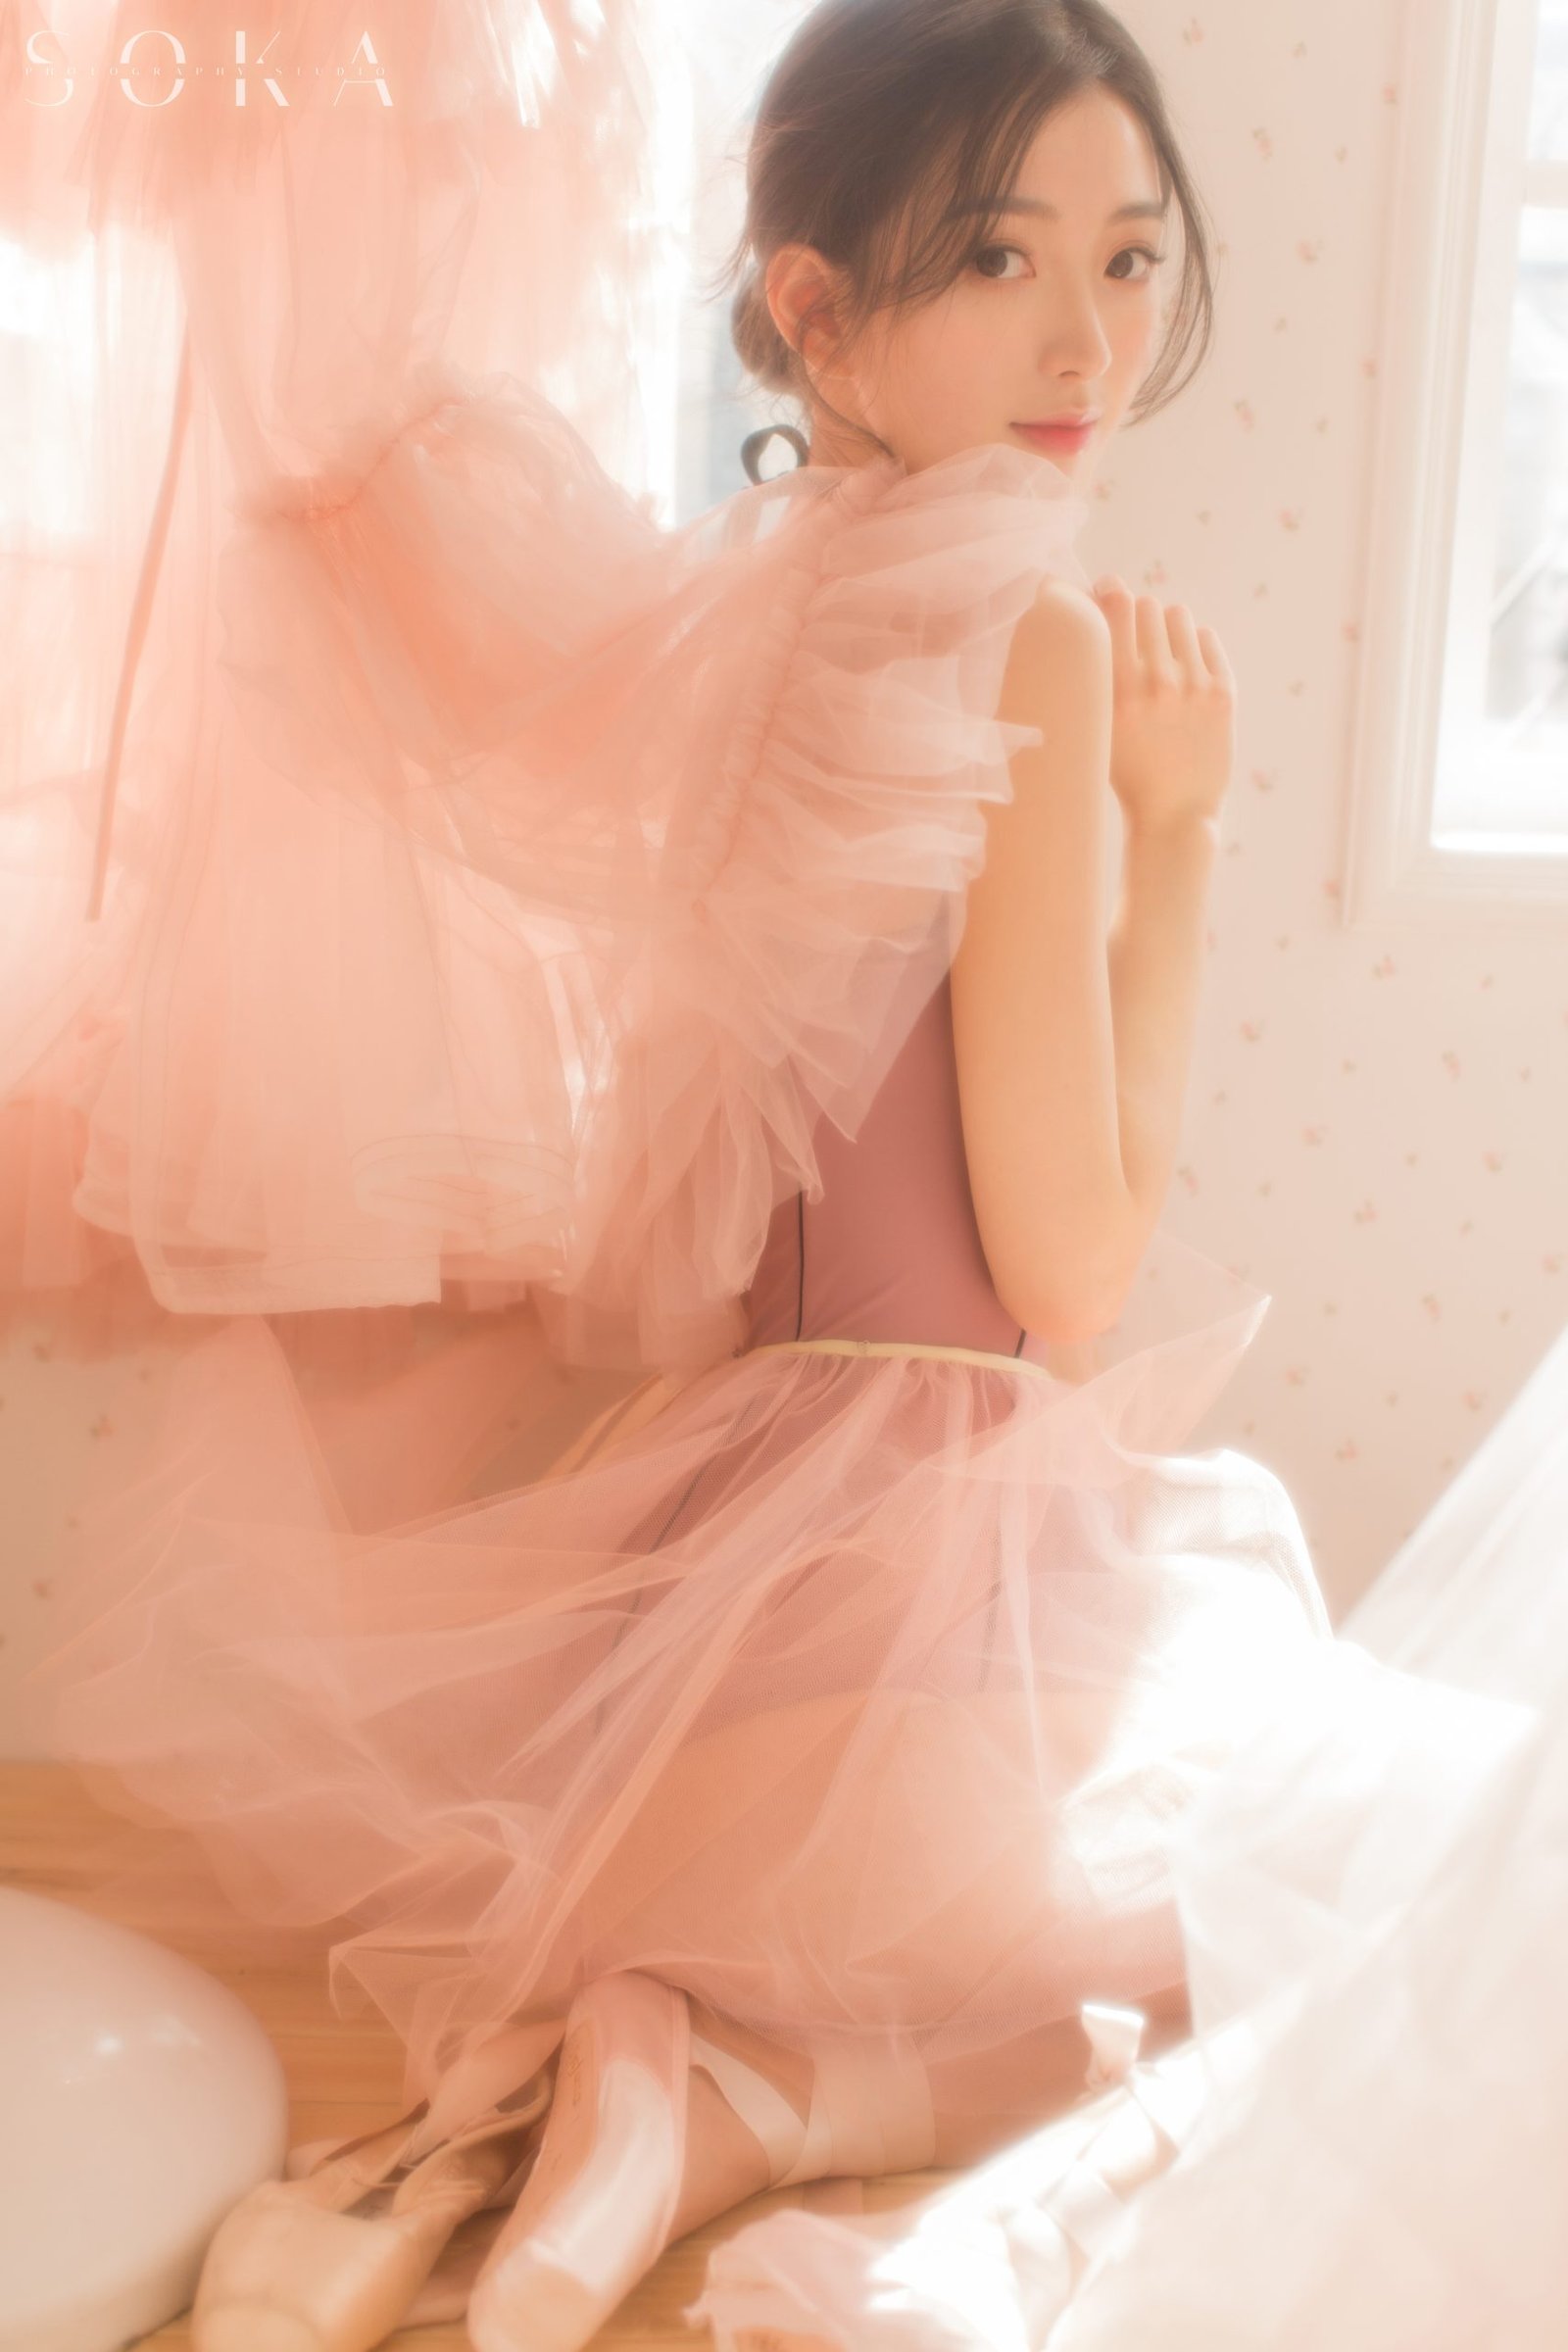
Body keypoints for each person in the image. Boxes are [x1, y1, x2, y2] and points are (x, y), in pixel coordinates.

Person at [1, 4, 1345, 2347]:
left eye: (1127, 260)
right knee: (1304, 1933)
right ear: (812, 306)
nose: (1083, 341)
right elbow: (1071, 1269)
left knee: (1237, 1921)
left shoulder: (764, 591)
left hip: (693, 1642)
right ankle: (739, 2104)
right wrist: (1181, 832)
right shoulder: (1022, 639)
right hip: (924, 1617)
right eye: (999, 259)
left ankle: (655, 2086)